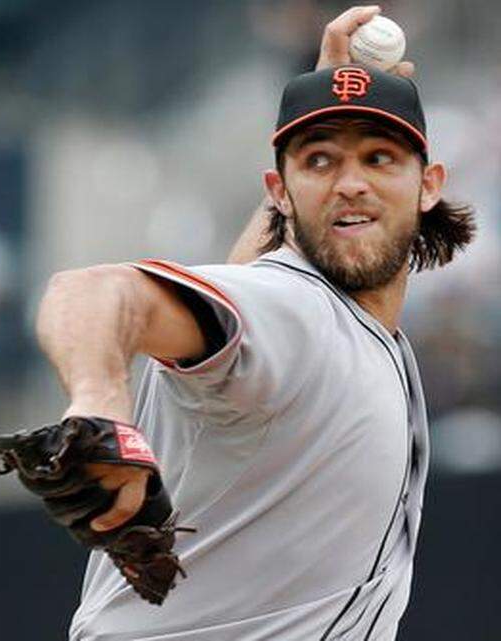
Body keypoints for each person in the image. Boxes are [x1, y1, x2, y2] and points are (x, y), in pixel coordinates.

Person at [33, 7, 474, 640]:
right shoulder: (297, 312)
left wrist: (327, 87)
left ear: (428, 184)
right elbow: (91, 291)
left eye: (379, 158)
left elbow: (250, 284)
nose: (350, 183)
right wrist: (100, 403)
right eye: (319, 162)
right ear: (280, 190)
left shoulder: (324, 325)